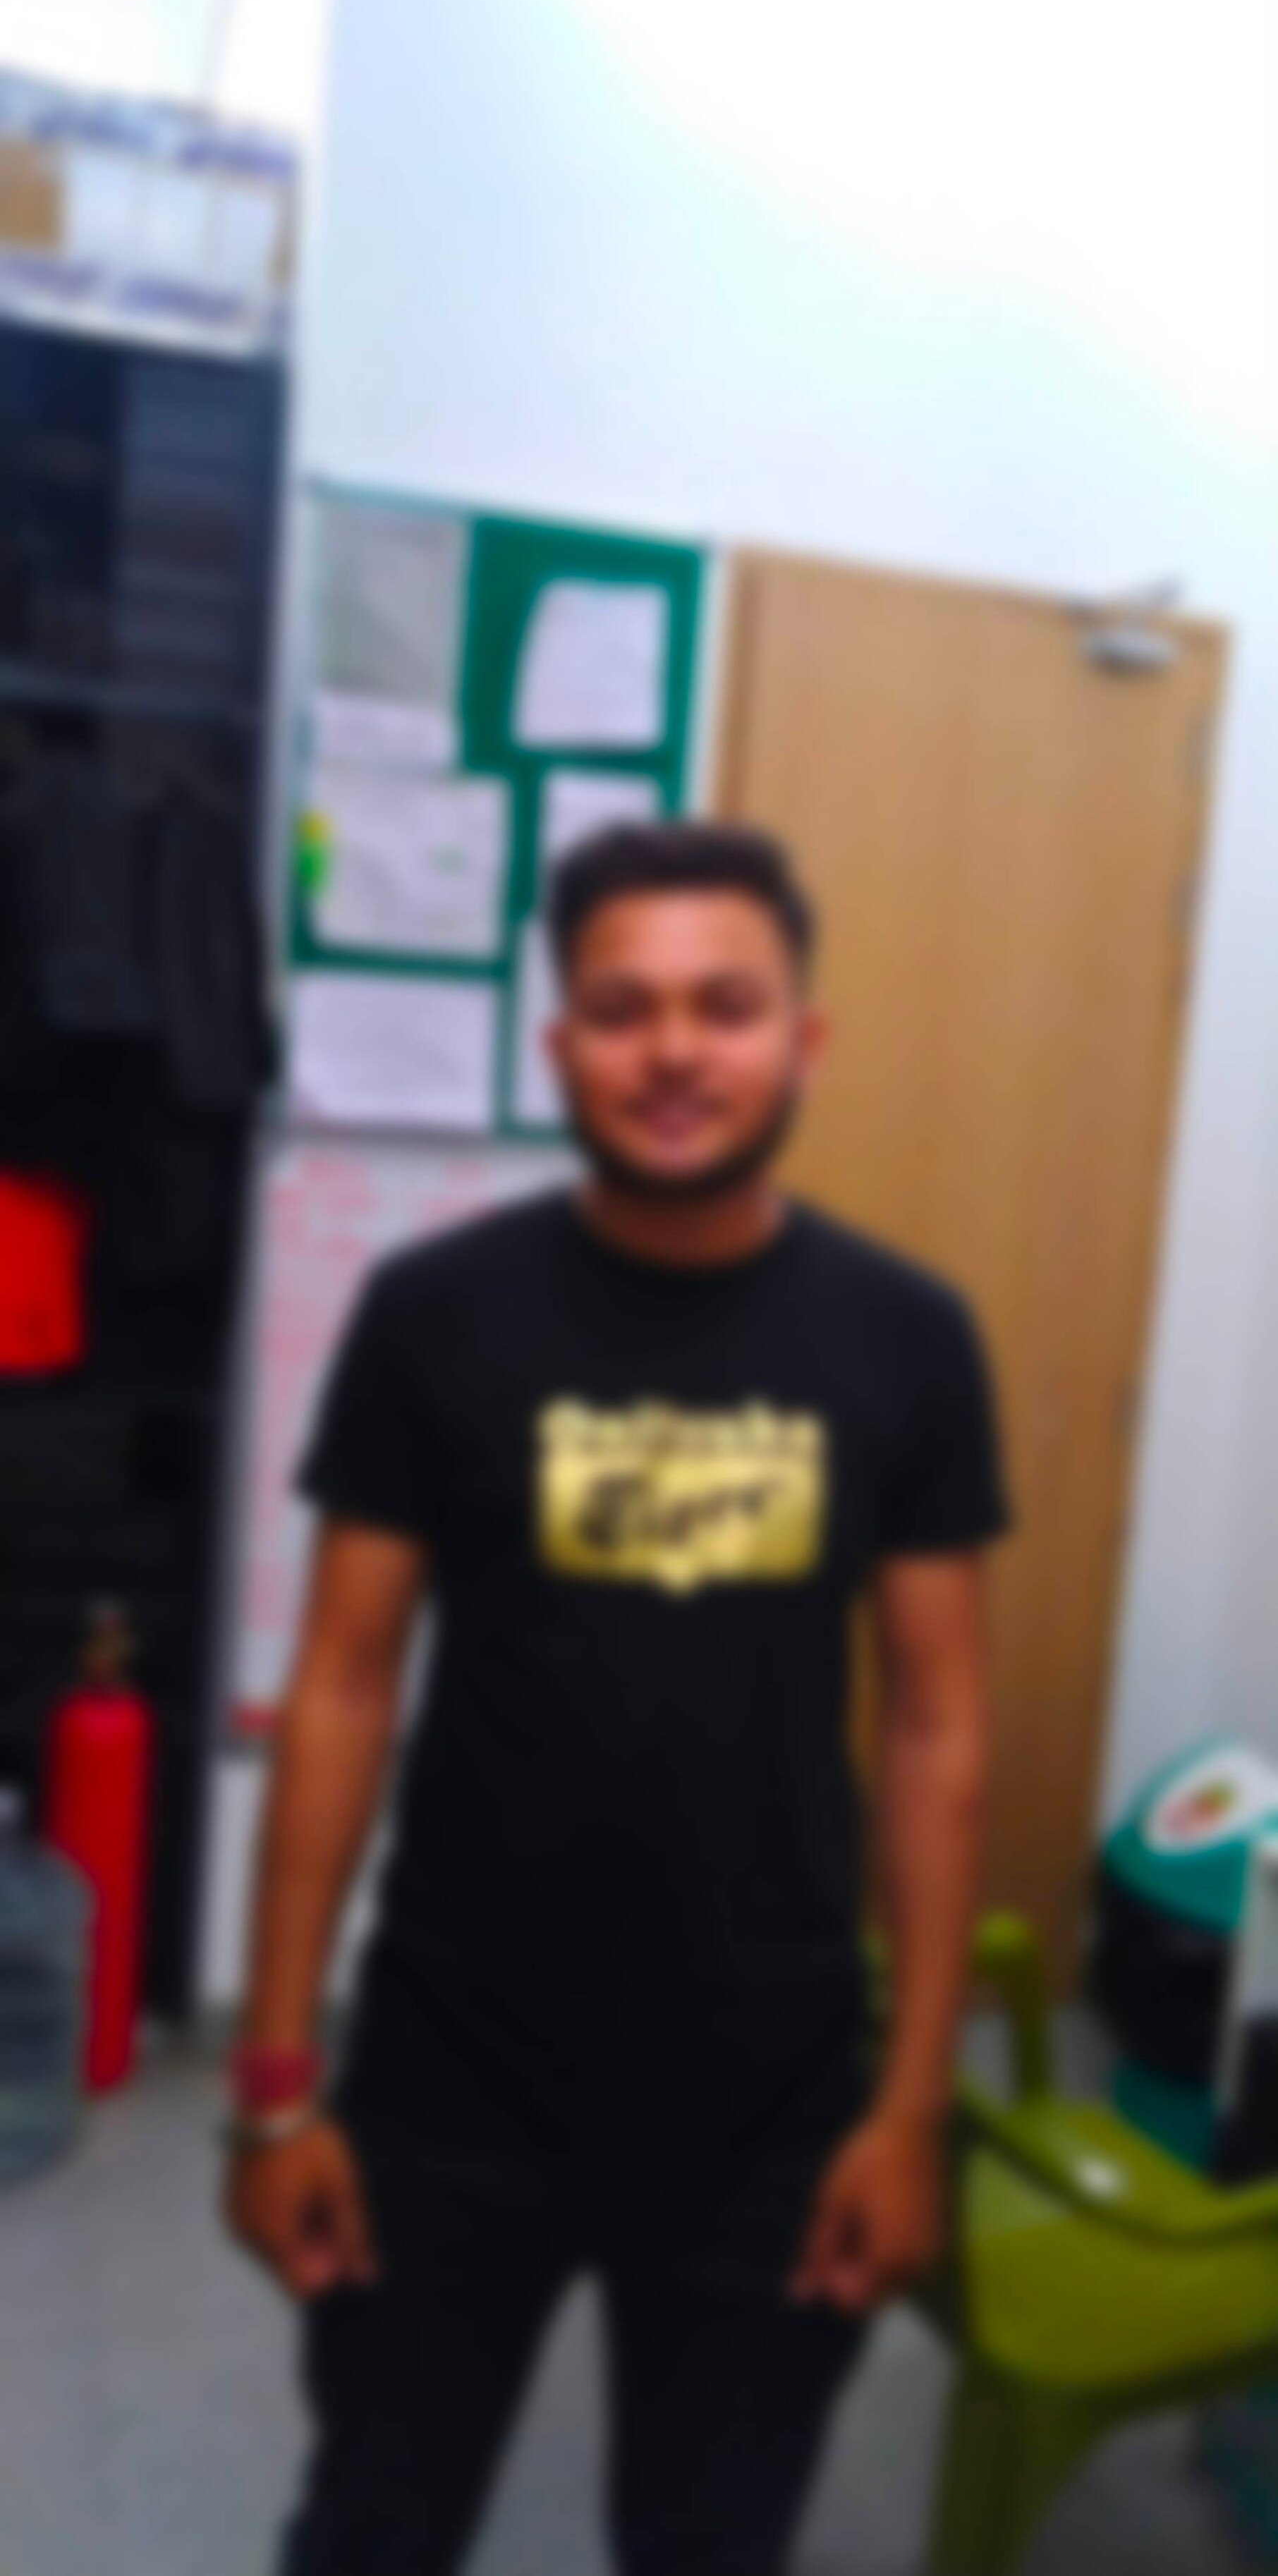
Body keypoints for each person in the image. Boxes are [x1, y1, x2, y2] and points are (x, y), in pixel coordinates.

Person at [224, 820, 1009, 2576]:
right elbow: (342, 1683)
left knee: (709, 2546)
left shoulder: (908, 1335)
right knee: (371, 2530)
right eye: (622, 1006)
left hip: (771, 2095)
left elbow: (937, 1727)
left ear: (804, 1040)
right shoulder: (435, 1314)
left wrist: (906, 2112)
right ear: (559, 1042)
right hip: (451, 2075)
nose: (673, 1051)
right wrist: (273, 2087)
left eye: (726, 1006)